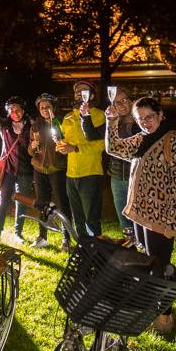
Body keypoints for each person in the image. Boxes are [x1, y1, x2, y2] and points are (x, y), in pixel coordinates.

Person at [105, 97, 176, 333]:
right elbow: (113, 148)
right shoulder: (142, 139)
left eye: (150, 117)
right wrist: (111, 121)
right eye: (140, 119)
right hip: (140, 213)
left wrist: (168, 219)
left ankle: (165, 316)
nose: (145, 123)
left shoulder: (173, 140)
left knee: (159, 266)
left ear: (160, 115)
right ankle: (166, 295)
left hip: (160, 218)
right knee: (148, 262)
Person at [88, 86, 141, 246]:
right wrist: (85, 116)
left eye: (126, 100)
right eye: (118, 102)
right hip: (117, 178)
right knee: (124, 222)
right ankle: (130, 251)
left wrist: (134, 120)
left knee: (139, 219)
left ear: (132, 101)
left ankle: (145, 252)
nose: (123, 104)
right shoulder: (112, 122)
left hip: (137, 178)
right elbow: (91, 134)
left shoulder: (141, 122)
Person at [58, 80, 105, 239]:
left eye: (84, 90)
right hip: (71, 175)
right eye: (77, 90)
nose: (79, 92)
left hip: (90, 173)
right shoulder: (68, 117)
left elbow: (102, 145)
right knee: (78, 218)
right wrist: (62, 147)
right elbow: (64, 141)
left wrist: (76, 148)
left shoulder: (99, 115)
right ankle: (82, 249)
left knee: (91, 219)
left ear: (91, 95)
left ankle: (96, 253)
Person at [0, 90, 33, 245]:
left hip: (26, 171)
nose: (15, 113)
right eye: (12, 111)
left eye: (18, 110)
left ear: (23, 110)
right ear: (8, 112)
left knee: (22, 203)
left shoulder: (31, 126)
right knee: (3, 202)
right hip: (8, 171)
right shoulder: (5, 126)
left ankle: (18, 233)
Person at [28, 93, 72, 251]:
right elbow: (30, 151)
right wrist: (32, 147)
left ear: (54, 107)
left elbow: (66, 146)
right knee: (42, 204)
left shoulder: (62, 123)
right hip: (39, 170)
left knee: (62, 204)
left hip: (57, 170)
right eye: (42, 107)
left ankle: (66, 238)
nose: (45, 110)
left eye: (48, 107)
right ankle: (42, 237)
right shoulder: (36, 126)